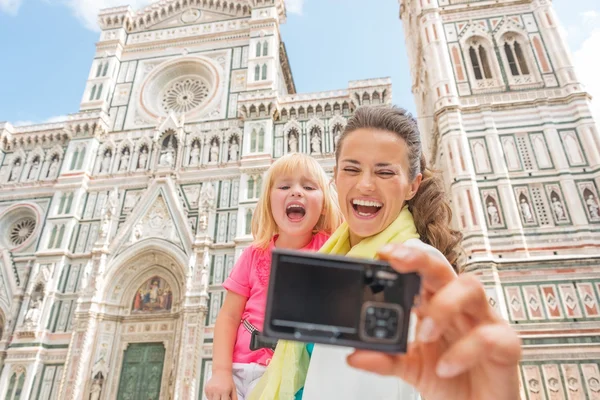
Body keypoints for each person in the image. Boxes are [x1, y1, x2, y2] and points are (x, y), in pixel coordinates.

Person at [249, 106, 522, 400]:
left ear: (412, 186)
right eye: (352, 169)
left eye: (385, 172)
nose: (365, 184)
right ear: (335, 178)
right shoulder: (329, 263)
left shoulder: (417, 268)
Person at [204, 153, 343, 400]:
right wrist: (221, 371)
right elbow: (228, 316)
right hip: (243, 372)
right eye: (284, 186)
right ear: (268, 202)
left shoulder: (330, 247)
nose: (296, 192)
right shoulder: (253, 254)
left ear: (323, 205)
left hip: (297, 372)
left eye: (309, 187)